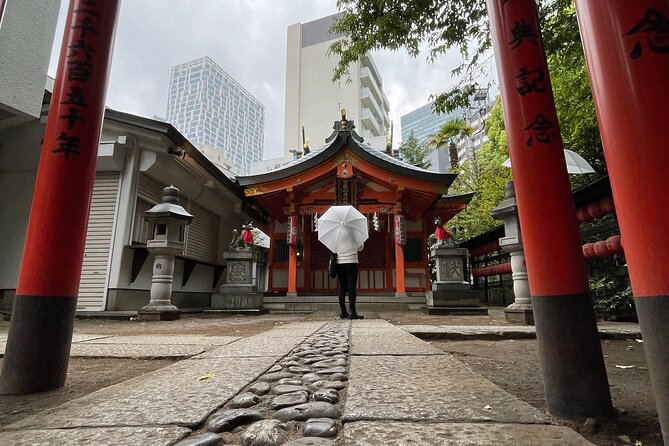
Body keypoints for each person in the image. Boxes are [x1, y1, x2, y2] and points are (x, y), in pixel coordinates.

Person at [336, 241, 365, 319]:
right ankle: (352, 312)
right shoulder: (354, 233)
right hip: (352, 261)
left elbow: (333, 248)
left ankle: (343, 311)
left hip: (340, 262)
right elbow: (361, 248)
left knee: (342, 287)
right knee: (351, 287)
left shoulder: (337, 235)